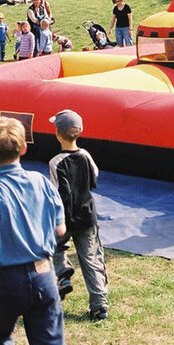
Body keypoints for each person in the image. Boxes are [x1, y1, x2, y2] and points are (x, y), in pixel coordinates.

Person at [0, 116, 66, 345]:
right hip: (44, 274)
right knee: (50, 342)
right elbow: (60, 230)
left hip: (9, 278)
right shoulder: (41, 181)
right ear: (24, 148)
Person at [48, 109, 109, 321]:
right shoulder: (86, 156)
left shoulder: (56, 162)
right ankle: (99, 304)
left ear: (57, 133)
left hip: (64, 216)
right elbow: (94, 179)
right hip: (86, 214)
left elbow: (59, 191)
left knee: (55, 247)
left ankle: (63, 274)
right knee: (91, 257)